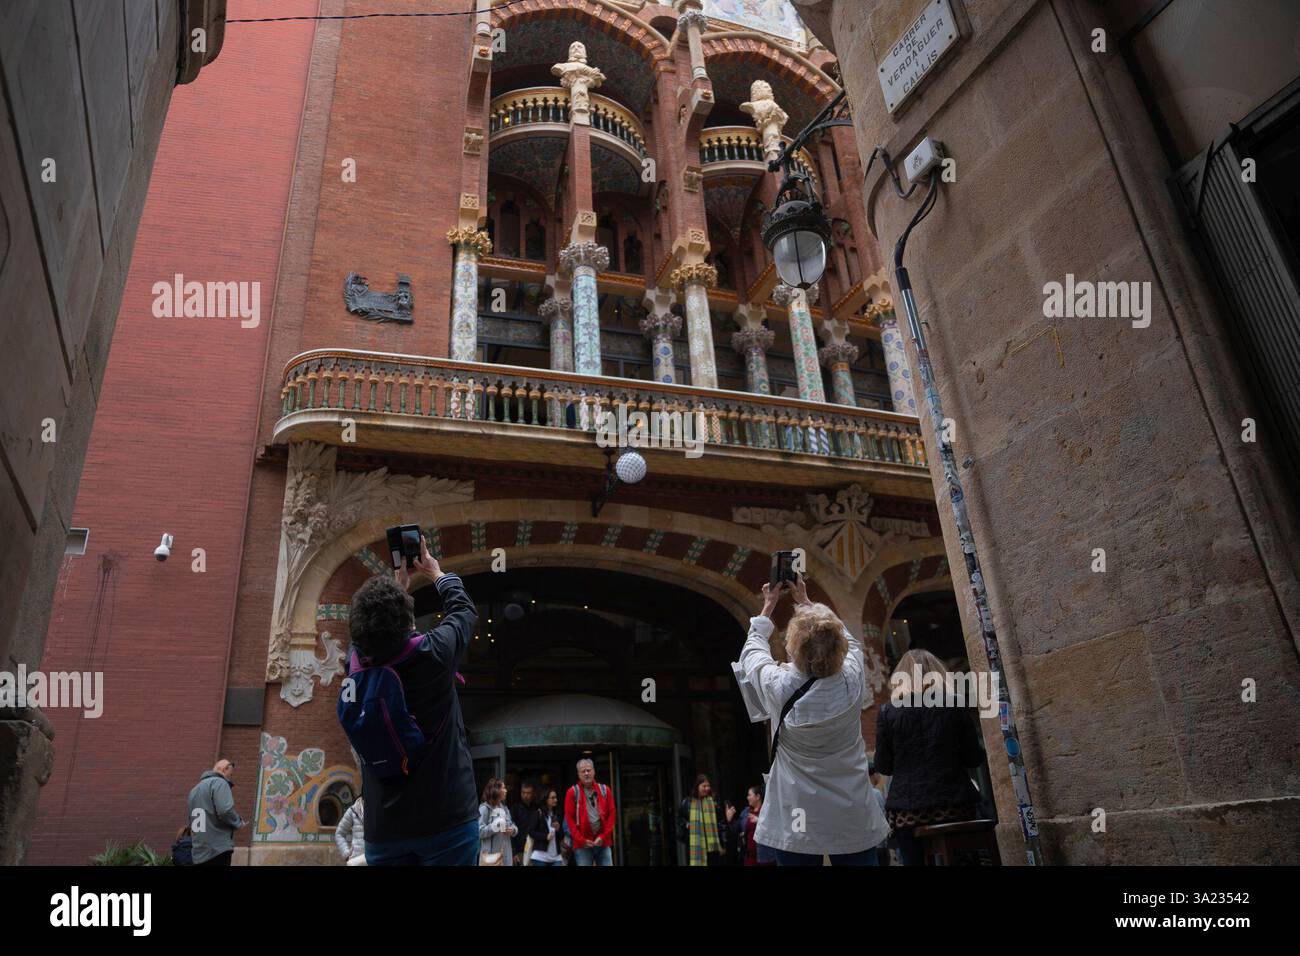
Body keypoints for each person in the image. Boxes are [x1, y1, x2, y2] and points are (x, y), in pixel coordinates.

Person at [737, 574, 890, 865]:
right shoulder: (852, 678)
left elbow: (752, 654)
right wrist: (806, 602)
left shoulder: (779, 684)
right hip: (851, 808)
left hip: (796, 812)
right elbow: (851, 641)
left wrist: (768, 606)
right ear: (838, 648)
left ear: (793, 646)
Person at [345, 537, 480, 865]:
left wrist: (397, 590)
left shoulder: (354, 664)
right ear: (409, 621)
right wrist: (435, 573)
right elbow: (463, 610)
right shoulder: (433, 654)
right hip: (448, 819)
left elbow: (367, 636)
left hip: (384, 829)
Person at [874, 648, 983, 866]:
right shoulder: (954, 704)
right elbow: (974, 758)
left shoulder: (888, 712)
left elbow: (883, 766)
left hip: (908, 810)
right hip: (956, 805)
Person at [187, 759, 245, 866]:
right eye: (230, 774)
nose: (230, 778)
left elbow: (190, 820)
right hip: (217, 849)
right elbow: (225, 811)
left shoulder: (194, 790)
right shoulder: (220, 782)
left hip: (199, 851)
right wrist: (238, 822)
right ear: (224, 769)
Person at [564, 758, 616, 865]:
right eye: (583, 771)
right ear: (578, 774)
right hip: (582, 845)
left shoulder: (605, 790)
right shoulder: (572, 792)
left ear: (594, 771)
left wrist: (603, 836)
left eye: (589, 770)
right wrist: (582, 840)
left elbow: (612, 815)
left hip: (603, 842)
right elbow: (570, 821)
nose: (586, 773)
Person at [677, 774, 728, 866]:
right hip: (695, 845)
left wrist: (723, 841)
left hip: (713, 846)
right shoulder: (687, 802)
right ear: (697, 787)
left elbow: (722, 822)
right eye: (704, 786)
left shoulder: (714, 802)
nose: (707, 788)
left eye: (708, 786)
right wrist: (687, 825)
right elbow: (679, 819)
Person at [729, 784, 776, 866]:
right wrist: (730, 819)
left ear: (758, 796)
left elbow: (774, 828)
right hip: (750, 857)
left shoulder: (767, 811)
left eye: (749, 795)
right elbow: (736, 829)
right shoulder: (746, 812)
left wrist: (759, 821)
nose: (747, 798)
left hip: (766, 857)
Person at [478, 778, 518, 866]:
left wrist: (513, 830)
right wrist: (494, 826)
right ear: (496, 790)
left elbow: (514, 826)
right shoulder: (485, 808)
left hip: (506, 856)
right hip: (491, 858)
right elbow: (480, 832)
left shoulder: (505, 808)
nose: (506, 791)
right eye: (503, 788)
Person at [528, 788, 565, 866]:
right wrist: (545, 836)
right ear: (546, 799)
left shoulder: (557, 815)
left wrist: (558, 829)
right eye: (552, 798)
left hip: (556, 856)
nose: (555, 800)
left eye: (556, 798)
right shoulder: (538, 813)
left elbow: (561, 836)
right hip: (540, 855)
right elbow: (531, 831)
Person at [510, 780, 538, 865]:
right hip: (520, 850)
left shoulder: (537, 808)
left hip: (536, 851)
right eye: (523, 793)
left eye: (528, 793)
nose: (525, 795)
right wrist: (514, 852)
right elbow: (510, 832)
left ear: (533, 793)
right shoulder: (515, 808)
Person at [867, 765, 890, 866]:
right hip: (879, 843)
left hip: (866, 845)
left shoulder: (862, 793)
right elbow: (883, 816)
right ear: (874, 775)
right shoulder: (876, 793)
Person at [334, 796, 366, 866]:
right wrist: (346, 853)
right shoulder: (353, 810)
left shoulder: (380, 810)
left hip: (375, 859)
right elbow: (339, 833)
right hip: (356, 860)